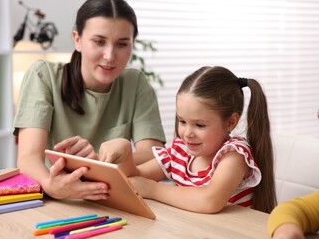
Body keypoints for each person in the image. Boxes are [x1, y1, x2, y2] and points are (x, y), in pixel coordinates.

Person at [13, 0, 166, 200]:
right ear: (77, 39)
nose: (110, 56)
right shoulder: (43, 76)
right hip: (58, 199)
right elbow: (28, 157)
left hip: (114, 199)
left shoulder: (136, 83)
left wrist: (96, 159)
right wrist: (51, 185)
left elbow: (154, 157)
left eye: (122, 44)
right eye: (99, 41)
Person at [99, 66, 277, 213]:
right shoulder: (180, 150)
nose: (187, 133)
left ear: (230, 122)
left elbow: (209, 201)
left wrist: (152, 189)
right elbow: (134, 180)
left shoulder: (234, 155)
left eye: (199, 125)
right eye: (182, 121)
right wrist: (124, 152)